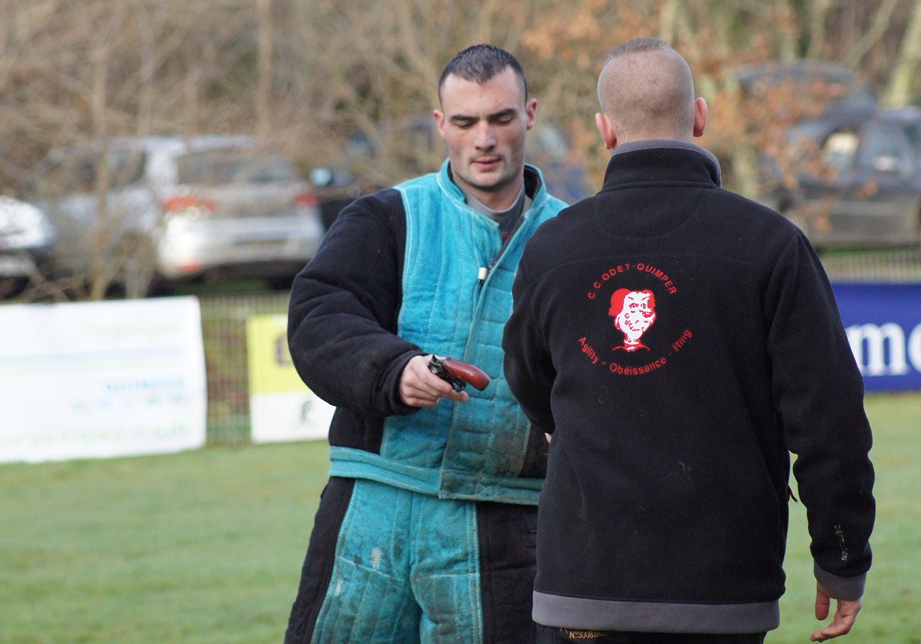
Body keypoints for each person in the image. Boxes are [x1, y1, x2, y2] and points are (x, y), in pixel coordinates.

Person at [502, 38, 875, 644]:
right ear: (699, 116)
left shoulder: (550, 250)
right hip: (723, 595)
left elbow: (530, 383)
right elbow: (828, 420)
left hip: (583, 593)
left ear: (604, 130)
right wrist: (842, 556)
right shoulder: (771, 244)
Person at [284, 44, 569, 643]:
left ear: (531, 114)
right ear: (441, 124)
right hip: (373, 509)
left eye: (501, 118)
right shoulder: (384, 217)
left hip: (507, 524)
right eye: (465, 123)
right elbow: (318, 317)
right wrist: (395, 369)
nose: (483, 139)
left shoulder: (573, 239)